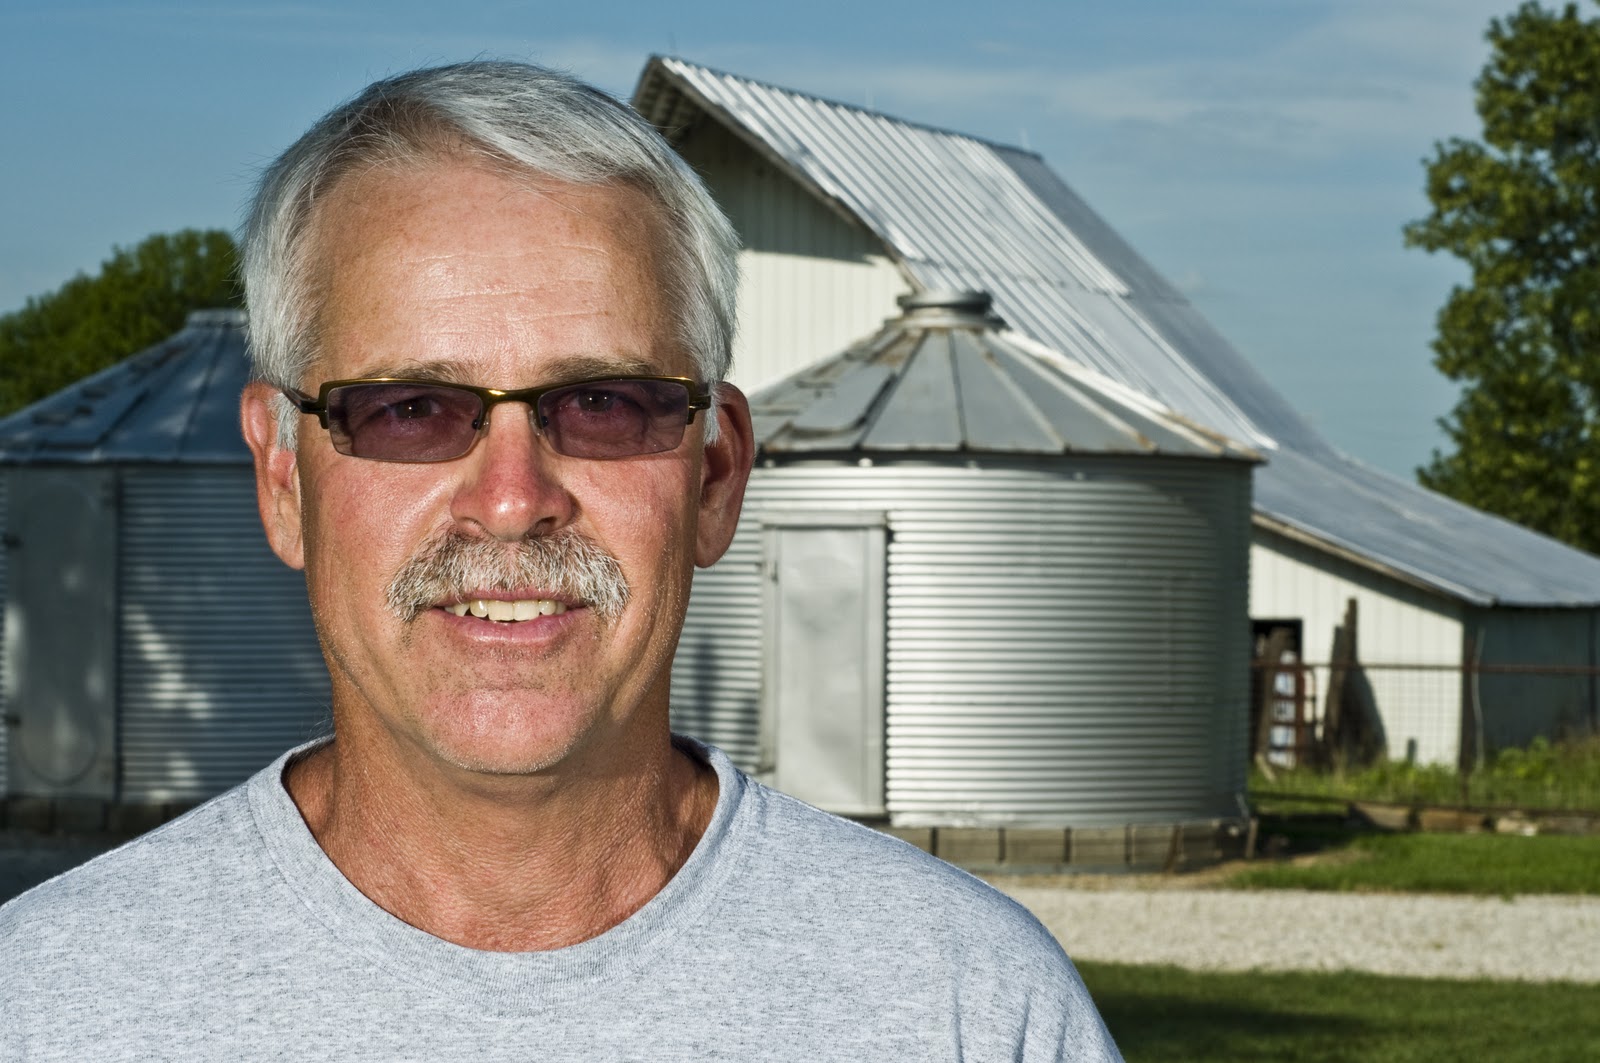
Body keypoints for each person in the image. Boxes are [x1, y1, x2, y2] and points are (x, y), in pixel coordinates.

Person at [0, 61, 1120, 1061]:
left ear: (717, 475)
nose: (511, 498)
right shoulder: (49, 1004)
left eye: (600, 400)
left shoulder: (969, 1008)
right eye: (408, 408)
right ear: (283, 479)